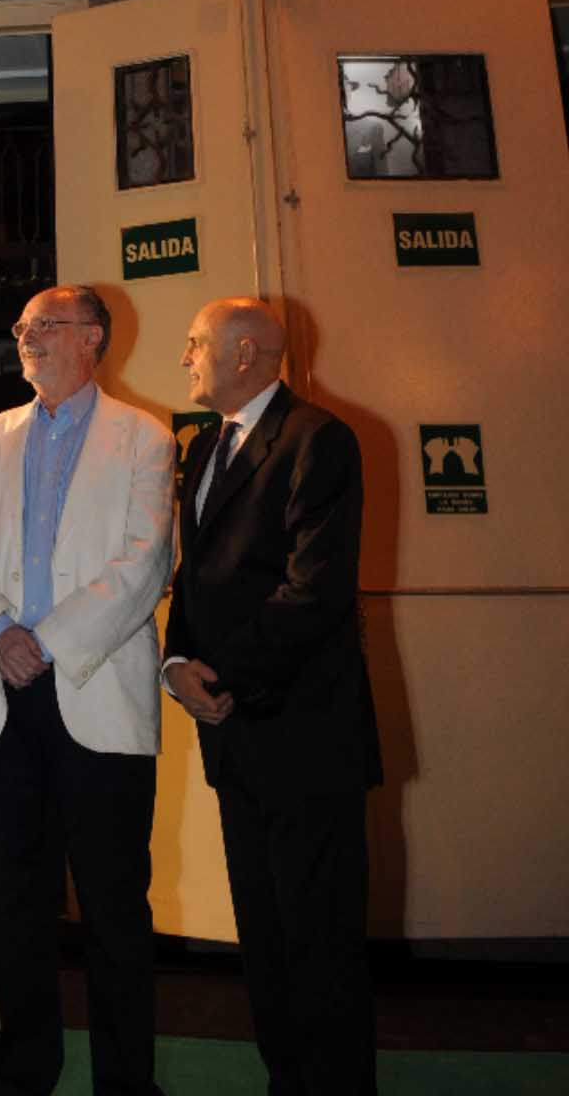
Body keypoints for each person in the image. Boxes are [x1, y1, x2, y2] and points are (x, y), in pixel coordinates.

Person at [0, 283, 174, 1096]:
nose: (27, 337)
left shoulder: (146, 437)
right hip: (7, 692)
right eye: (22, 326)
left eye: (45, 325)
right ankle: (24, 1066)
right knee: (18, 896)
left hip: (97, 688)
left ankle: (126, 1081)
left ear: (92, 338)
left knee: (114, 903)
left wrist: (45, 642)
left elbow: (146, 562)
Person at [164, 298, 382, 1096]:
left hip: (307, 739)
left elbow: (314, 591)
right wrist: (175, 662)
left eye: (196, 344)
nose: (185, 357)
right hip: (236, 738)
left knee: (320, 943)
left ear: (246, 352)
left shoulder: (318, 438)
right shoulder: (203, 448)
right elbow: (195, 577)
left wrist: (218, 677)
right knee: (263, 938)